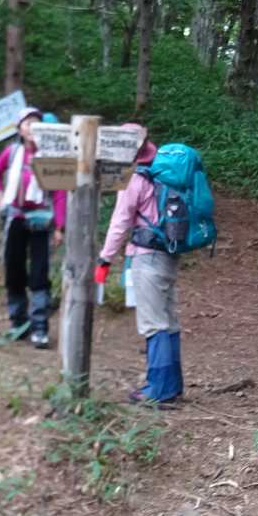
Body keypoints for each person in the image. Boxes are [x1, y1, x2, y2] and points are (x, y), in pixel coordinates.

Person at [95, 125, 182, 404]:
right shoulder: (163, 174)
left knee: (154, 323)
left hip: (147, 257)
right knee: (168, 321)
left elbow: (120, 221)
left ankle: (158, 390)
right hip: (168, 254)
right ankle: (172, 386)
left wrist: (105, 258)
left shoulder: (134, 179)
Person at [0, 107, 66, 348]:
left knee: (39, 273)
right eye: (27, 123)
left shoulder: (50, 157)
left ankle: (40, 327)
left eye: (36, 122)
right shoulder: (12, 152)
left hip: (41, 221)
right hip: (14, 217)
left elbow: (59, 193)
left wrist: (60, 226)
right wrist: (0, 198)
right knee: (13, 269)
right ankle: (18, 322)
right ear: (19, 129)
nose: (32, 127)